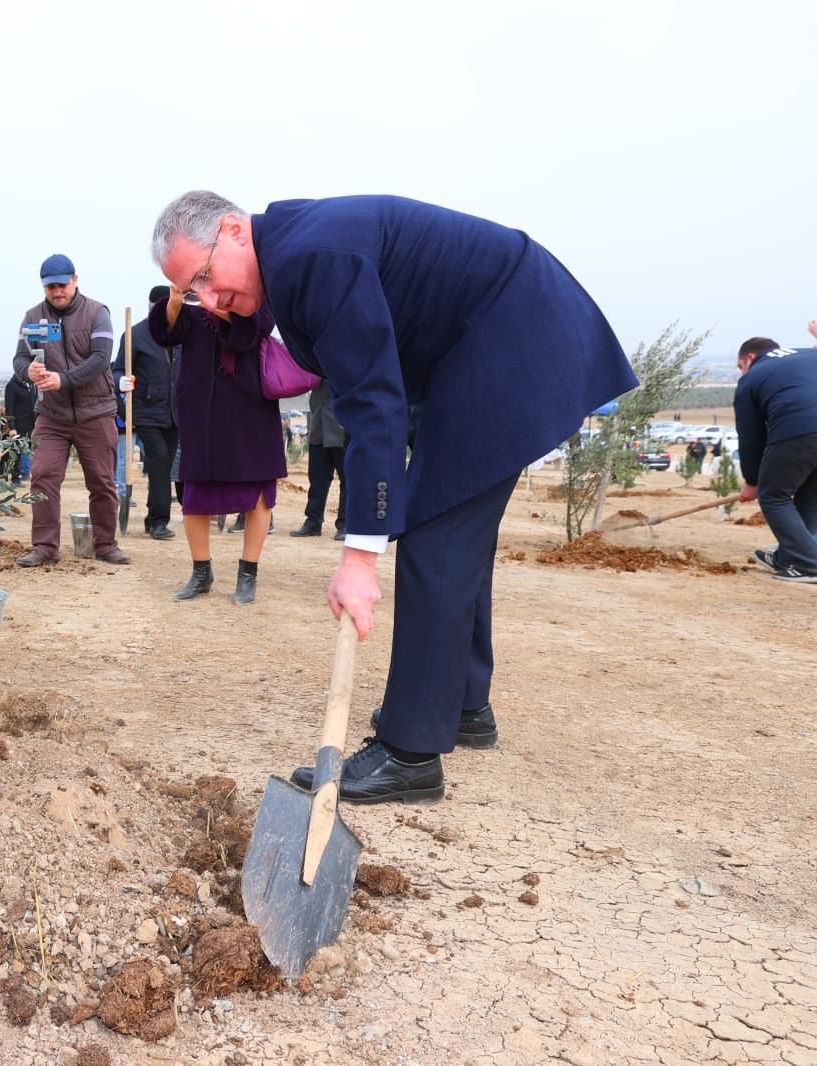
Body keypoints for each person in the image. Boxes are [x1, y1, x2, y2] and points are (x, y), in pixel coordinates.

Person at [152, 190, 636, 802]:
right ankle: (461, 703)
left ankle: (410, 753)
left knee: (437, 527)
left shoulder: (310, 257)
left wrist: (360, 554)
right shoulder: (291, 251)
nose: (211, 301)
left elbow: (372, 400)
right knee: (453, 523)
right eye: (194, 292)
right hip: (492, 336)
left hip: (509, 334)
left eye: (204, 276)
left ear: (233, 230)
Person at [151, 292, 286, 605]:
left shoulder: (258, 287)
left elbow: (253, 330)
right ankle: (201, 572)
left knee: (258, 489)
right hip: (200, 404)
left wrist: (217, 305)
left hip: (250, 401)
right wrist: (174, 300)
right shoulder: (190, 289)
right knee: (194, 492)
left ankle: (248, 574)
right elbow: (166, 335)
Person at [11, 254, 129, 566]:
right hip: (51, 416)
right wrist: (29, 373)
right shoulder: (32, 317)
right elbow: (20, 360)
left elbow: (101, 358)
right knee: (43, 476)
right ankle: (44, 547)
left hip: (96, 412)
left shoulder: (97, 313)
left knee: (102, 481)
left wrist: (63, 379)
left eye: (62, 284)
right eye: (51, 287)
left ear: (75, 280)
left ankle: (105, 544)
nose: (57, 291)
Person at [734, 335, 817, 582]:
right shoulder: (808, 354)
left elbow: (751, 436)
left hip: (799, 429)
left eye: (740, 366)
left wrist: (752, 481)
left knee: (774, 496)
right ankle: (787, 557)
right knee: (810, 497)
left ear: (750, 357)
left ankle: (809, 564)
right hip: (804, 428)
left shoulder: (750, 379)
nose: (741, 372)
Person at [114, 285, 181, 540]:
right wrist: (122, 381)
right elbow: (117, 370)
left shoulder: (180, 333)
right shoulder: (135, 335)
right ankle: (158, 521)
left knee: (163, 465)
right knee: (159, 460)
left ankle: (154, 516)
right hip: (146, 411)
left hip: (175, 412)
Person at [293, 380, 347, 539]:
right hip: (318, 426)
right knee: (317, 479)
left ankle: (345, 524)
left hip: (342, 428)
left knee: (348, 480)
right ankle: (313, 522)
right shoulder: (314, 358)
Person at [2, 370, 36, 485]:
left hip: (31, 425)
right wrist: (11, 427)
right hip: (17, 426)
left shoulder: (31, 385)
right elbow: (9, 408)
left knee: (28, 451)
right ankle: (15, 479)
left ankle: (27, 474)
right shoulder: (11, 386)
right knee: (15, 452)